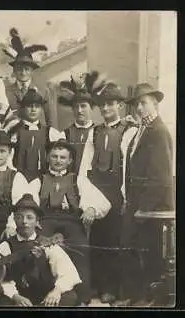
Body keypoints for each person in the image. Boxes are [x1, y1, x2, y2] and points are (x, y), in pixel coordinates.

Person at [4, 139, 111, 305]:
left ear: (70, 160)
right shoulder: (38, 180)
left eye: (62, 157)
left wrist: (91, 209)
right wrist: (11, 225)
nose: (58, 160)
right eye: (54, 156)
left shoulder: (78, 180)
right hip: (44, 222)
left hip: (72, 222)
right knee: (40, 248)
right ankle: (44, 291)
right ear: (47, 158)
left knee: (79, 247)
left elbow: (103, 203)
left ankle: (81, 297)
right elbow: (23, 205)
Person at [118, 83, 174, 306]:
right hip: (136, 202)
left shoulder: (159, 131)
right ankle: (137, 297)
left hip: (152, 207)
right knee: (130, 248)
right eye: (136, 104)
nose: (139, 108)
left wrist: (143, 208)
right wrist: (129, 201)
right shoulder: (142, 129)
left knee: (148, 252)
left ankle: (150, 300)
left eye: (143, 103)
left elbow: (160, 177)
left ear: (155, 103)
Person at [88, 83, 136, 303]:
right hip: (98, 191)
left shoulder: (129, 130)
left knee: (116, 240)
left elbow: (127, 167)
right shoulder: (95, 131)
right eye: (102, 104)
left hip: (117, 192)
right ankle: (98, 285)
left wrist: (125, 197)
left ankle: (114, 288)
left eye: (110, 103)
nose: (106, 108)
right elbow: (85, 165)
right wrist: (88, 195)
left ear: (119, 105)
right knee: (97, 238)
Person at [0, 194, 81, 307]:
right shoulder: (5, 246)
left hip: (45, 296)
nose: (24, 222)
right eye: (19, 217)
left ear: (37, 222)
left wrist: (56, 291)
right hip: (19, 297)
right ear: (14, 220)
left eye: (29, 217)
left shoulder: (48, 244)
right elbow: (1, 279)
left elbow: (67, 273)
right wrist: (15, 296)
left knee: (70, 297)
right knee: (1, 302)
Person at [9, 88, 65, 182]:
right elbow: (8, 157)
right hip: (18, 179)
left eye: (37, 106)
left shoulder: (50, 132)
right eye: (29, 106)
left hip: (43, 179)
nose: (33, 109)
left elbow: (59, 158)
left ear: (41, 109)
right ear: (23, 108)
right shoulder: (14, 130)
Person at [2, 28, 48, 113]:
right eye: (19, 69)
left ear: (32, 70)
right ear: (14, 70)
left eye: (27, 69)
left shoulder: (43, 90)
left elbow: (50, 119)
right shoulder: (6, 91)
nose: (23, 73)